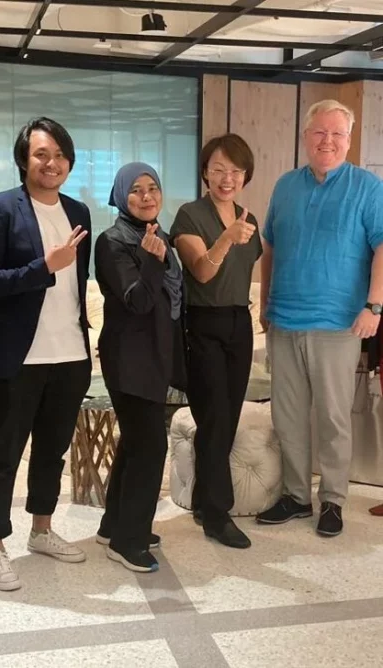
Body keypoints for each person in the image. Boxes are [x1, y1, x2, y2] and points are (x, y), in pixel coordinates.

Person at [0, 117, 91, 591]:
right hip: (18, 358)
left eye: (60, 154)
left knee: (52, 452)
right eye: (42, 154)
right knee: (3, 455)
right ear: (24, 160)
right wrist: (44, 267)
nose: (52, 162)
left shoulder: (78, 210)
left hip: (70, 354)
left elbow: (77, 288)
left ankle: (41, 529)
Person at [257, 99, 383, 537]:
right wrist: (267, 304)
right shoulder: (285, 186)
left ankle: (332, 499)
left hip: (340, 324)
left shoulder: (367, 187)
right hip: (284, 321)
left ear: (348, 140)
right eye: (319, 132)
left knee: (333, 417)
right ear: (305, 137)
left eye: (337, 134)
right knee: (288, 416)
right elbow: (269, 247)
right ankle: (295, 497)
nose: (327, 141)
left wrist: (374, 305)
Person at [93, 162, 185, 573]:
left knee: (134, 443)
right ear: (120, 196)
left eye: (153, 188)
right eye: (136, 190)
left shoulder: (158, 235)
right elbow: (138, 301)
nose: (146, 196)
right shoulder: (112, 241)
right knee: (151, 446)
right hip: (129, 359)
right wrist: (152, 261)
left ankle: (116, 525)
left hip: (155, 355)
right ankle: (128, 542)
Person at [170, 134, 261, 549]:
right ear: (205, 171)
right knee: (214, 418)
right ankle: (218, 513)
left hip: (239, 323)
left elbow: (249, 269)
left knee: (229, 416)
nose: (228, 178)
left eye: (236, 171)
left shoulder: (249, 217)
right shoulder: (190, 215)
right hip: (202, 324)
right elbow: (203, 273)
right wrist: (226, 238)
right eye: (219, 169)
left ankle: (206, 502)